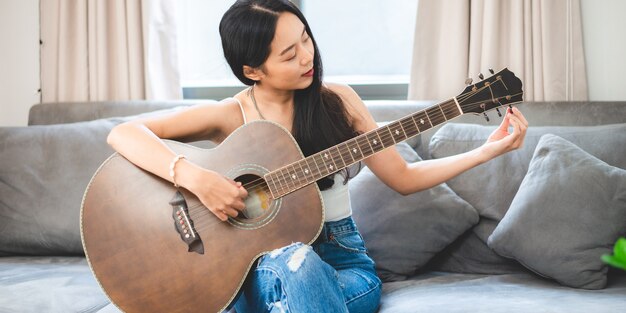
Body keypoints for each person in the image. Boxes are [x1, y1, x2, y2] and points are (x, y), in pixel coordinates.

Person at [107, 0, 528, 312]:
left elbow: (403, 178)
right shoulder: (230, 114)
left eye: (305, 38)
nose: (307, 56)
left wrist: (487, 150)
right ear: (252, 70)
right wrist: (199, 179)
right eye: (288, 54)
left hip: (342, 263)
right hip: (254, 267)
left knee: (303, 266)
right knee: (292, 264)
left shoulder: (338, 102)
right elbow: (123, 133)